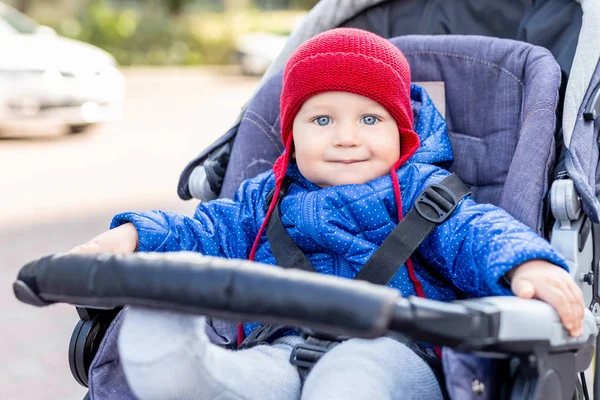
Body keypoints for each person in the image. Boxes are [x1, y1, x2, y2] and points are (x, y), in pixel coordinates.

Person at [71, 28, 584, 400]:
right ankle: (178, 368)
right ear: (292, 135)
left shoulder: (425, 194)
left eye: (369, 118)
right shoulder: (264, 198)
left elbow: (480, 234)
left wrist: (527, 264)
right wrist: (135, 236)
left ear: (400, 132)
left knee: (352, 380)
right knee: (243, 379)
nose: (345, 136)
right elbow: (203, 228)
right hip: (280, 347)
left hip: (396, 351)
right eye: (321, 119)